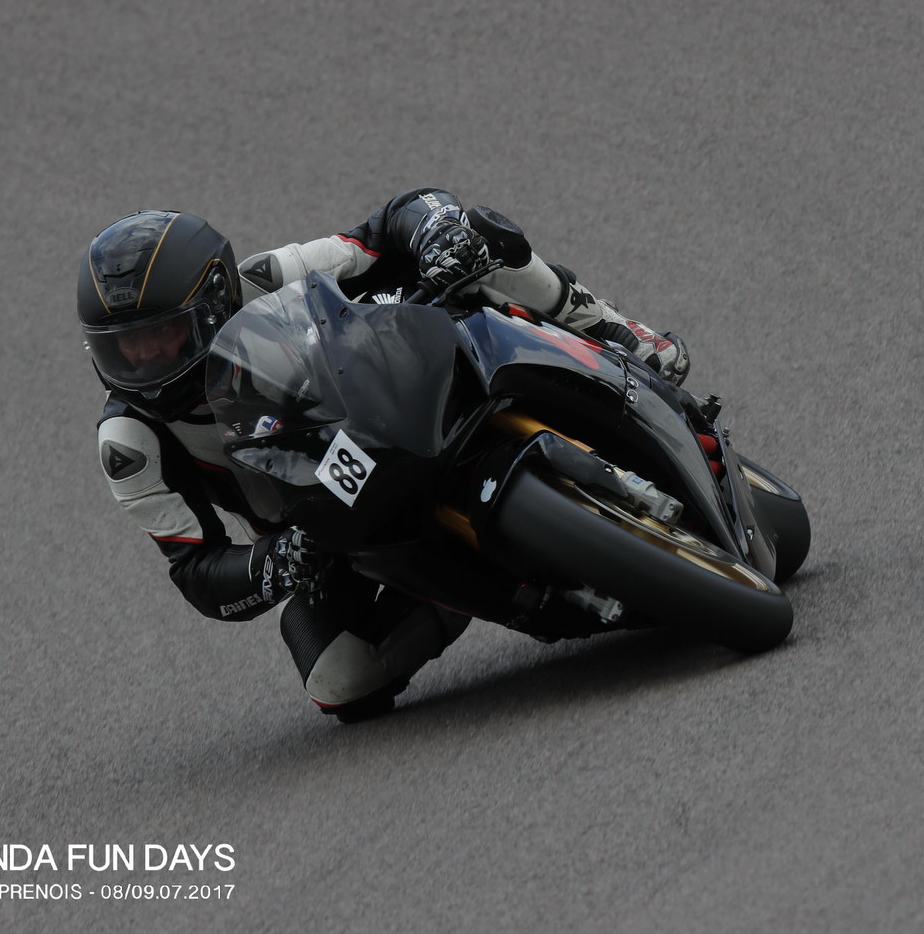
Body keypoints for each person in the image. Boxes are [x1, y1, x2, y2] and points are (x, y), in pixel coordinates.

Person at [77, 188, 692, 722]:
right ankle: (454, 597)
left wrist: (436, 230)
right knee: (338, 679)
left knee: (475, 239)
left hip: (401, 409)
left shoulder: (267, 279)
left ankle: (616, 333)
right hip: (331, 531)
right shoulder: (130, 441)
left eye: (159, 335)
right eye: (123, 346)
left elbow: (394, 219)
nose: (142, 361)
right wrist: (276, 563)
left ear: (213, 302)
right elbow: (197, 571)